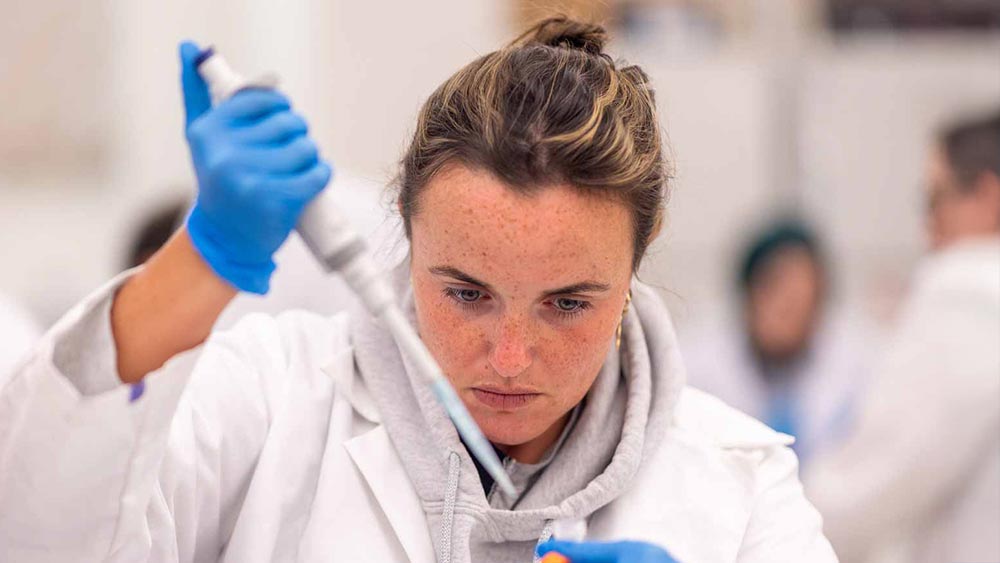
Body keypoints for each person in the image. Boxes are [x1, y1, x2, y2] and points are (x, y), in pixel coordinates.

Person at [0, 18, 836, 563]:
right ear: (404, 230)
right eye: (467, 293)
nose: (508, 357)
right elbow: (42, 534)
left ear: (638, 259)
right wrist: (204, 258)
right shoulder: (276, 402)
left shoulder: (738, 486)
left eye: (568, 303)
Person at [806, 109, 1000, 563]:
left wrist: (773, 518)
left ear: (989, 197)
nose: (925, 225)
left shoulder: (970, 288)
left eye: (933, 199)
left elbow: (874, 480)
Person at [683, 220, 871, 464]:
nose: (790, 315)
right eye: (778, 297)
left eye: (803, 301)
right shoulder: (696, 363)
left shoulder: (857, 364)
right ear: (749, 293)